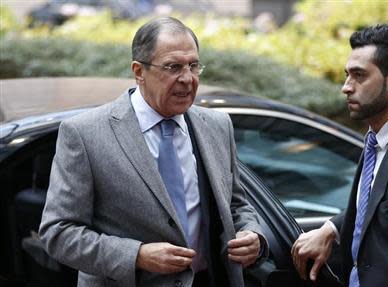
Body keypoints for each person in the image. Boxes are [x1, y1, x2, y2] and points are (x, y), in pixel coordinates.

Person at [39, 17, 268, 287]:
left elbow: (236, 205)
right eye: (173, 67)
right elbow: (58, 232)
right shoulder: (85, 133)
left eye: (193, 66)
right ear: (139, 71)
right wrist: (136, 255)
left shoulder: (217, 125)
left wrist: (253, 234)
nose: (187, 78)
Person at [291, 24, 388, 287]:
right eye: (346, 75)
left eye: (359, 76)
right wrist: (331, 229)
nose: (346, 87)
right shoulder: (377, 137)